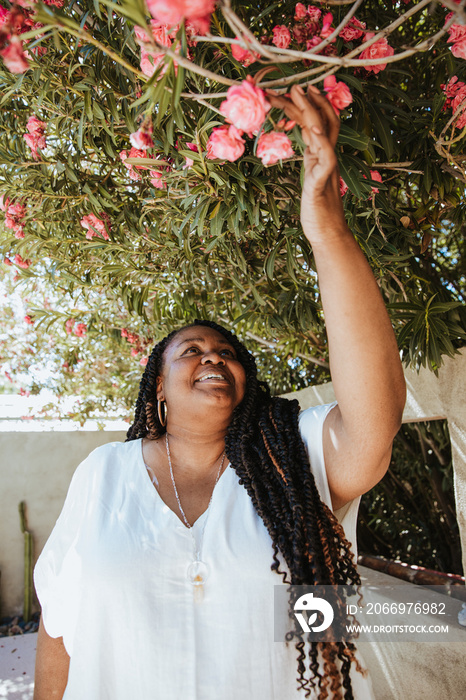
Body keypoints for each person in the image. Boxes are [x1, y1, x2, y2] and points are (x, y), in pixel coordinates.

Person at [33, 85, 406, 699]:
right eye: (193, 351)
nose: (215, 357)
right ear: (158, 390)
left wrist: (327, 233)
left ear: (246, 385)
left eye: (228, 354)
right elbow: (58, 627)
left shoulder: (293, 456)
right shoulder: (103, 474)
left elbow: (375, 419)